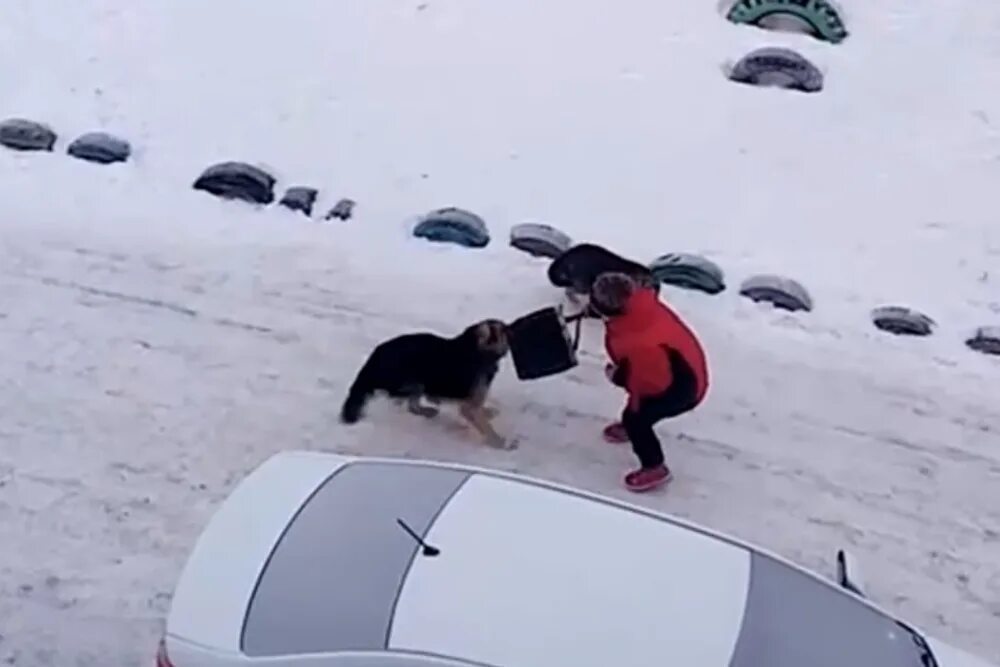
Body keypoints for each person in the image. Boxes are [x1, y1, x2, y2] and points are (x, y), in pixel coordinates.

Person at [589, 272, 709, 492]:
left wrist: (619, 377)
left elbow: (650, 384)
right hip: (684, 365)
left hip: (682, 389)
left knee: (636, 418)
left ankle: (654, 466)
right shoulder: (641, 308)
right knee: (638, 408)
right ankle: (632, 429)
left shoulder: (640, 343)